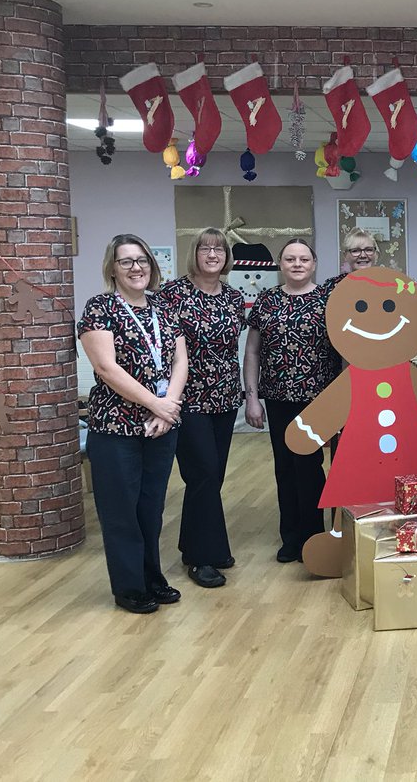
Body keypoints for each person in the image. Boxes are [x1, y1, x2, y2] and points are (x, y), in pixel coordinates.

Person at [77, 234, 187, 614]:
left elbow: (180, 361)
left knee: (150, 509)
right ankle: (129, 587)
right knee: (121, 511)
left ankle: (152, 578)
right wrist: (157, 404)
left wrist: (165, 409)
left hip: (160, 427)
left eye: (142, 260)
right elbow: (107, 368)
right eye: (126, 261)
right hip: (116, 429)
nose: (136, 267)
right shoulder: (100, 307)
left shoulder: (163, 307)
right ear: (112, 268)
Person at [244, 238, 341, 563]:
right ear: (280, 265)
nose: (297, 264)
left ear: (313, 264)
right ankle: (291, 537)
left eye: (303, 259)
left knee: (310, 466)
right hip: (277, 397)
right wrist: (252, 398)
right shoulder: (267, 300)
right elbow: (253, 351)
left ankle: (314, 535)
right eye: (290, 259)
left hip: (319, 399)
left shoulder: (329, 300)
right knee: (285, 467)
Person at [157, 228, 245, 589]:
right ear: (194, 253)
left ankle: (203, 542)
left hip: (223, 396)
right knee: (203, 473)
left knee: (213, 476)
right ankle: (201, 557)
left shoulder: (233, 296)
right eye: (205, 248)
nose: (212, 254)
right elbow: (160, 347)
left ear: (226, 256)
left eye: (219, 248)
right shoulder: (172, 294)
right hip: (187, 397)